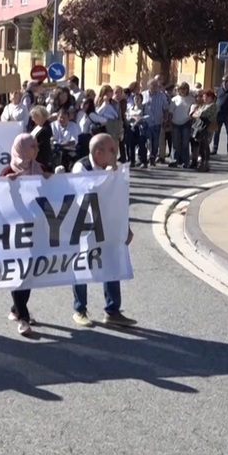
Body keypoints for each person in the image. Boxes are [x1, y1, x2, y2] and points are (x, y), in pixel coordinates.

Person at [70, 133, 137, 328]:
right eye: (112, 151)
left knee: (111, 264)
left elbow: (119, 199)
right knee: (82, 265)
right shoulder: (80, 167)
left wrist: (126, 226)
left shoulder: (113, 169)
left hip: (108, 224)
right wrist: (107, 176)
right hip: (85, 226)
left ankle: (112, 310)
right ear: (98, 153)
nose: (116, 154)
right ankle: (80, 309)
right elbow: (87, 194)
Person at [0, 133, 57, 337]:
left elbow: (50, 194)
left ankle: (16, 309)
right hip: (16, 231)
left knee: (30, 272)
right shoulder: (8, 171)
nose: (36, 149)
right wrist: (7, 184)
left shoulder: (39, 168)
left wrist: (49, 180)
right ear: (22, 148)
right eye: (32, 146)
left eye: (36, 145)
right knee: (19, 272)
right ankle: (23, 318)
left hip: (36, 228)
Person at [190, 89, 218, 172]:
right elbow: (193, 114)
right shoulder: (203, 105)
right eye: (203, 96)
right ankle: (202, 162)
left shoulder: (213, 106)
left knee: (205, 146)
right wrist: (197, 113)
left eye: (206, 97)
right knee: (200, 145)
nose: (204, 98)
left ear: (211, 97)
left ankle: (206, 163)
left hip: (207, 127)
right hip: (200, 127)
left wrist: (198, 113)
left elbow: (202, 114)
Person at [168, 83, 195, 168]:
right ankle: (174, 160)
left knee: (185, 143)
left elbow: (193, 111)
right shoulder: (174, 99)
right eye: (181, 89)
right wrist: (169, 123)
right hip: (175, 122)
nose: (182, 91)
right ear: (178, 90)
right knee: (175, 143)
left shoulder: (191, 99)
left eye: (184, 89)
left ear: (187, 90)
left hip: (186, 122)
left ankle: (185, 161)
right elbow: (171, 112)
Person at [213, 75, 228, 156]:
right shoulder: (218, 90)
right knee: (216, 132)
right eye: (223, 80)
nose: (225, 82)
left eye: (227, 81)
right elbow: (214, 101)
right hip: (218, 114)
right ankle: (214, 148)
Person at [28, 105, 55, 172]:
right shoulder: (38, 127)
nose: (32, 119)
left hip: (41, 158)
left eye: (34, 116)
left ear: (38, 116)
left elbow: (41, 144)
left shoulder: (46, 129)